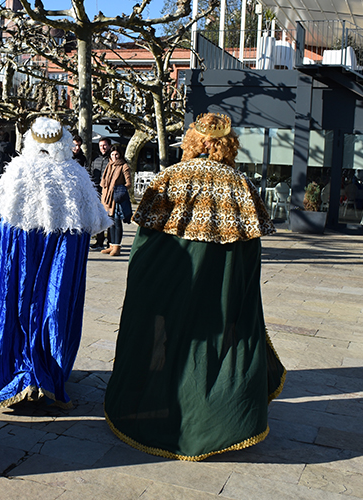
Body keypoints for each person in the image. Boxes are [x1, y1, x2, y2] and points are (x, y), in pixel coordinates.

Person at [103, 112, 285, 461]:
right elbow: (249, 257)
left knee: (165, 342)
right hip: (219, 293)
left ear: (192, 139)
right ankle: (217, 422)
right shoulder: (240, 185)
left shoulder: (169, 178)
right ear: (229, 143)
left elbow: (143, 245)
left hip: (166, 286)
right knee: (212, 346)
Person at [0, 117, 112, 409]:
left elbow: (0, 221)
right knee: (53, 306)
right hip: (60, 252)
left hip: (21, 253)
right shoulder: (75, 175)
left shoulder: (16, 171)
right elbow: (93, 223)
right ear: (63, 141)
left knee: (15, 304)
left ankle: (15, 371)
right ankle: (47, 374)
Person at [99, 144, 132, 257]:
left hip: (117, 199)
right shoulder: (109, 165)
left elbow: (129, 183)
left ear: (120, 154)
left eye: (116, 154)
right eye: (112, 154)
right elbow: (104, 181)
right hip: (107, 199)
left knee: (117, 222)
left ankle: (117, 246)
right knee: (110, 223)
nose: (114, 157)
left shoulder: (124, 166)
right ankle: (111, 245)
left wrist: (120, 189)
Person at [88, 138, 111, 249]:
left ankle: (111, 242)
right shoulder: (95, 159)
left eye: (105, 145)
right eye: (101, 145)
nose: (102, 147)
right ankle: (99, 240)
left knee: (110, 216)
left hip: (108, 192)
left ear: (109, 146)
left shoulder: (112, 159)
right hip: (96, 191)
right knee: (98, 216)